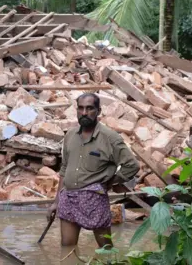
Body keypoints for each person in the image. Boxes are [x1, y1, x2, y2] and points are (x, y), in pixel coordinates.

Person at [46, 93, 140, 248]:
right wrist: (56, 202)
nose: (84, 113)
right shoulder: (70, 135)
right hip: (68, 198)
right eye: (81, 108)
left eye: (89, 108)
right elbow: (64, 168)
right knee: (67, 247)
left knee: (105, 247)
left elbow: (132, 165)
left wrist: (111, 181)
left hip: (94, 199)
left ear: (98, 111)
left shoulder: (110, 137)